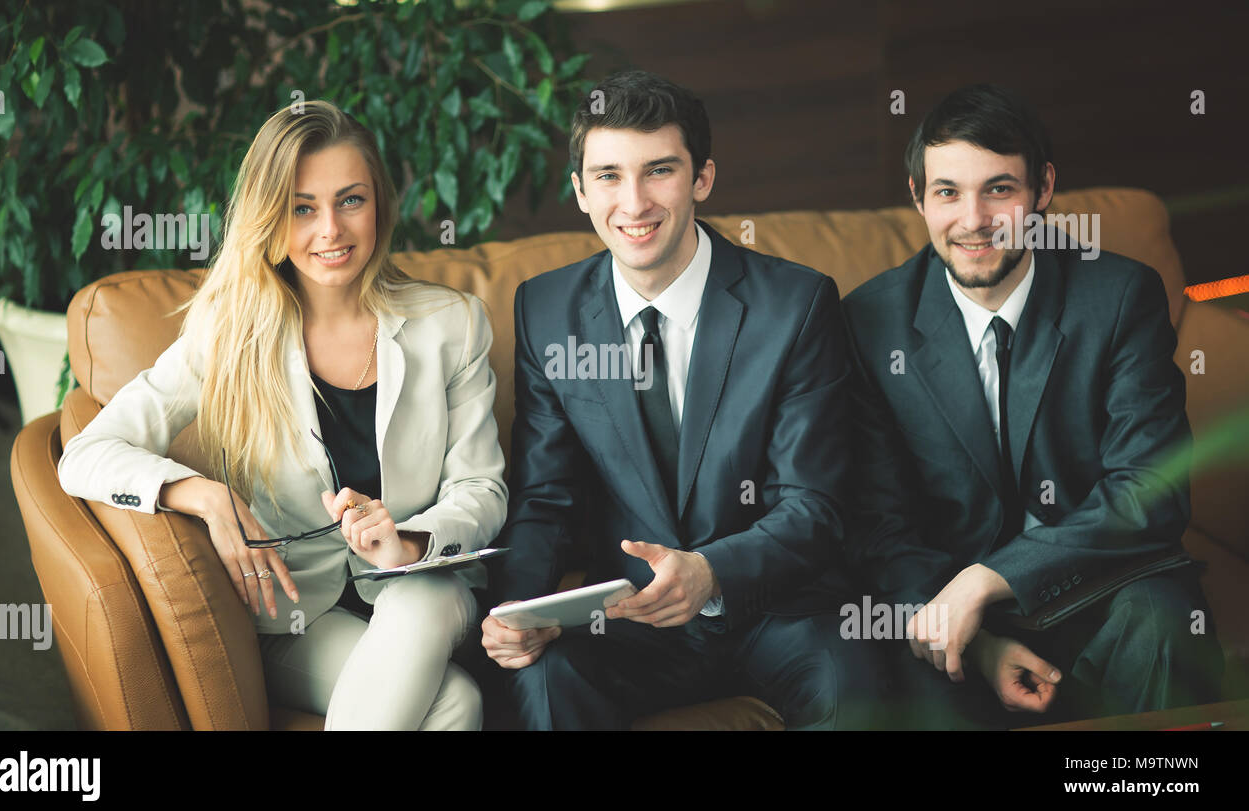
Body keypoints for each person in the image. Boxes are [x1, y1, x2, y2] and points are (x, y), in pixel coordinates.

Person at [57, 100, 507, 730]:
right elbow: (83, 454)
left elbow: (480, 488)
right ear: (270, 217)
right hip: (296, 613)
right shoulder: (230, 331)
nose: (331, 230)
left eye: (351, 200)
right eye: (303, 208)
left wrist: (407, 542)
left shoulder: (450, 324)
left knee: (418, 597)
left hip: (422, 585)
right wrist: (204, 496)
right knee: (458, 704)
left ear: (379, 203)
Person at [480, 70, 881, 730]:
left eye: (658, 171)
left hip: (775, 609)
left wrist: (711, 571)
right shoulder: (546, 311)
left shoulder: (796, 305)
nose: (633, 202)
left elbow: (816, 502)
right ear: (580, 191)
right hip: (631, 619)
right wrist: (517, 611)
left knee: (853, 680)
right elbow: (544, 499)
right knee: (544, 681)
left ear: (703, 179)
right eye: (608, 175)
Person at [841, 84, 1223, 728]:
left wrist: (990, 577)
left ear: (1043, 189)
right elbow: (879, 528)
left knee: (1164, 622)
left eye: (999, 189)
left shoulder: (1120, 295)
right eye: (947, 192)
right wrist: (977, 638)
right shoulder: (869, 321)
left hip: (1101, 580)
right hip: (946, 602)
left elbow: (1150, 491)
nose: (973, 219)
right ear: (917, 196)